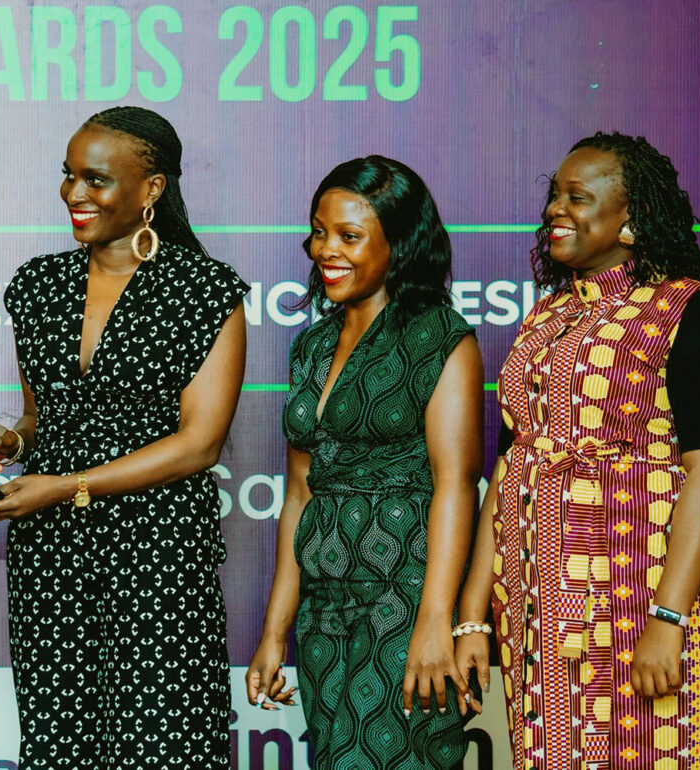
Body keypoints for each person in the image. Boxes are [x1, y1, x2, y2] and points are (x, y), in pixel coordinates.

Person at [454, 132, 700, 768]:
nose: (555, 210)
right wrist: (474, 617)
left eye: (577, 197)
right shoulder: (542, 321)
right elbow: (509, 471)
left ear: (631, 220)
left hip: (649, 607)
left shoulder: (689, 311)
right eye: (553, 196)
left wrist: (668, 619)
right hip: (543, 618)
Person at [0, 106, 248, 768]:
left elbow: (199, 443)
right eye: (68, 175)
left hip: (158, 554)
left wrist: (67, 486)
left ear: (151, 189)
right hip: (51, 556)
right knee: (60, 745)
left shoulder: (203, 291)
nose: (74, 193)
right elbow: (40, 420)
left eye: (95, 179)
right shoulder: (38, 286)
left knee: (163, 745)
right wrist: (8, 443)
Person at [246, 156, 484, 769]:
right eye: (319, 232)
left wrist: (436, 621)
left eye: (349, 236)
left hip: (404, 596)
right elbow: (299, 494)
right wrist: (274, 631)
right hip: (325, 608)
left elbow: (456, 486)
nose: (327, 250)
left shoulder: (440, 337)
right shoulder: (312, 344)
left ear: (398, 245)